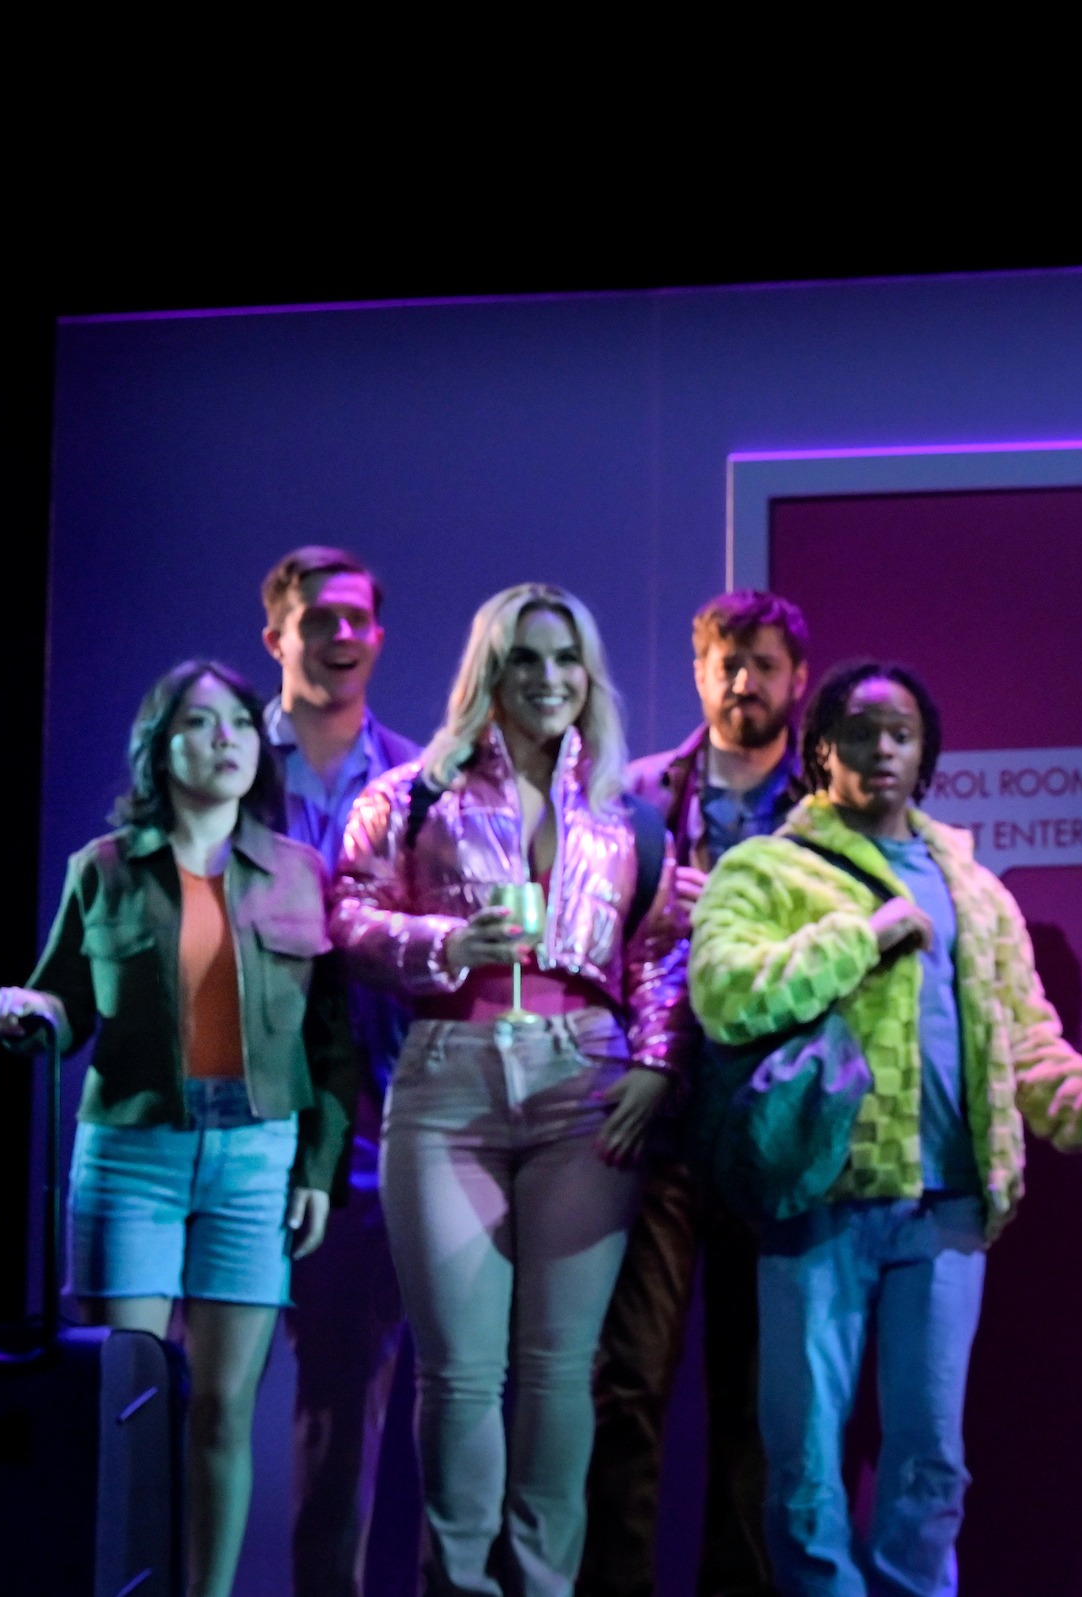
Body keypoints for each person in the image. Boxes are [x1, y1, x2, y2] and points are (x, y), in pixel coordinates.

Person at [689, 660, 1082, 1597]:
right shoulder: (765, 869)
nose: (882, 748)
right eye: (861, 730)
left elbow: (1028, 1047)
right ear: (822, 747)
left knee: (930, 1464)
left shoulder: (976, 892)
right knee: (805, 1467)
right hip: (818, 1194)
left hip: (948, 1205)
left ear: (926, 755)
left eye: (901, 733)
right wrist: (857, 938)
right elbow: (724, 991)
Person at [0, 659, 357, 1597]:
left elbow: (331, 1043)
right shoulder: (103, 868)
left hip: (257, 1155)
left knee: (225, 1409)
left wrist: (315, 1165)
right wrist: (29, 1012)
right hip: (133, 1152)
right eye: (198, 722)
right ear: (161, 745)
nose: (224, 737)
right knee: (123, 1404)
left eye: (236, 720)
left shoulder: (299, 873)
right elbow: (64, 1001)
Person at [333, 582, 679, 1597]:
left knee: (563, 1371)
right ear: (489, 671)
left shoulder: (625, 814)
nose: (549, 679)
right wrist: (442, 940)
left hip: (587, 1081)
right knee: (460, 1373)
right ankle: (463, 1586)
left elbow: (661, 949)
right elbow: (344, 916)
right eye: (525, 658)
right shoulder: (412, 792)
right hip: (449, 1083)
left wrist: (656, 1062)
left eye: (567, 659)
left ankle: (544, 1584)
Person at [586, 590, 812, 1597]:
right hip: (661, 1119)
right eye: (725, 661)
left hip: (773, 1124)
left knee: (759, 1398)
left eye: (762, 663)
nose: (742, 682)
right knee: (626, 1380)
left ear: (796, 676)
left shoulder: (829, 796)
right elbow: (585, 945)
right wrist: (652, 920)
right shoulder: (637, 794)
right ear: (698, 670)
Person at [256, 545, 423, 1597]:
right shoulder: (217, 758)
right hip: (233, 1113)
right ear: (276, 634)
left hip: (366, 1119)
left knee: (342, 1404)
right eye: (321, 618)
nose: (344, 636)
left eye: (361, 618)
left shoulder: (417, 778)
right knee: (191, 1395)